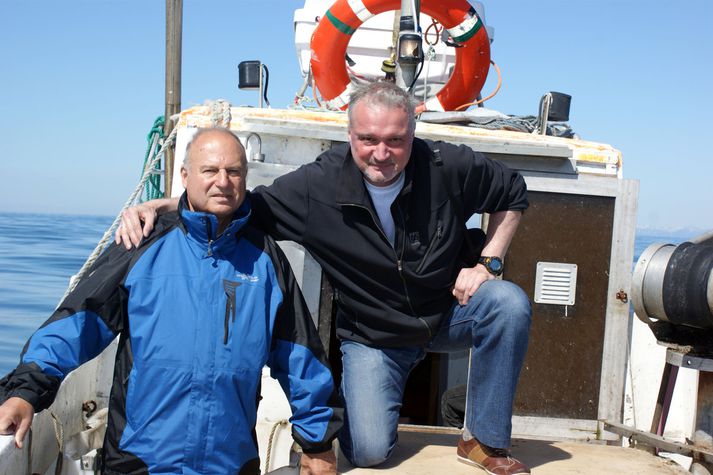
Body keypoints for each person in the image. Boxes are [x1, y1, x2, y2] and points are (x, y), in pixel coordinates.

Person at [117, 81, 532, 475]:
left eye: (396, 140)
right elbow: (242, 208)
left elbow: (512, 191)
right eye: (368, 139)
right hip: (375, 336)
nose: (381, 153)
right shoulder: (317, 186)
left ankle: (484, 440)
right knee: (368, 453)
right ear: (349, 134)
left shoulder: (446, 165)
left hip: (446, 314)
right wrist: (165, 205)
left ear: (413, 133)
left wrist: (488, 264)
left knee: (507, 303)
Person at [0, 128, 342, 475]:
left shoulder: (265, 261)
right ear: (185, 176)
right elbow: (78, 324)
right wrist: (24, 392)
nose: (222, 181)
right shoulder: (142, 246)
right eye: (209, 170)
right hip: (139, 463)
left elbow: (300, 357)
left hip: (229, 464)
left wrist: (318, 443)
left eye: (234, 171)